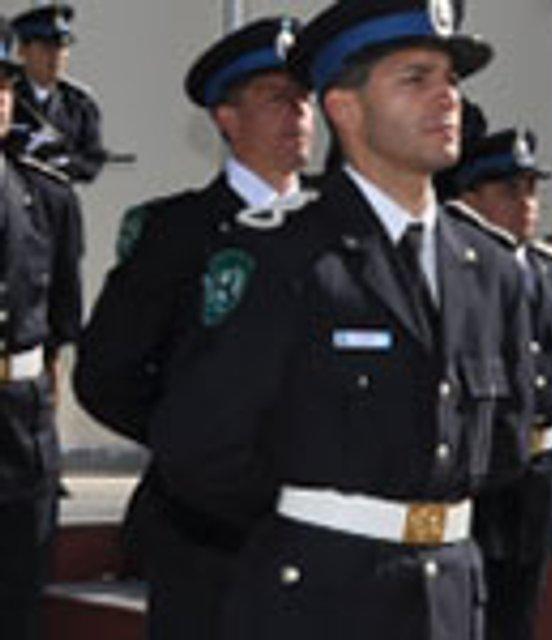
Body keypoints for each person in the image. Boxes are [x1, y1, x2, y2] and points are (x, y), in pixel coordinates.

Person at [147, 1, 533, 638]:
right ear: (344, 109)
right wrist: (314, 519)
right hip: (322, 596)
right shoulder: (286, 254)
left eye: (452, 80)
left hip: (451, 596)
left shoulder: (488, 266)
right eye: (415, 79)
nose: (447, 99)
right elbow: (201, 448)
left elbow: (506, 445)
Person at [72, 17, 313, 639]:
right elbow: (106, 373)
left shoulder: (337, 229)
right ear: (227, 120)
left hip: (318, 531)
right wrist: (196, 443)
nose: (299, 114)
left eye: (305, 98)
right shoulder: (177, 233)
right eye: (276, 99)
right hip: (208, 530)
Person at [453, 128, 552, 640]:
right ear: (470, 199)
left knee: (519, 618)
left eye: (532, 189)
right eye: (510, 191)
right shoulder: (459, 274)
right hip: (480, 476)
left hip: (536, 476)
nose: (526, 203)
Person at [0, 17, 83, 640]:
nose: (0, 100)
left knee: (22, 590)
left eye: (6, 87)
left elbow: (58, 312)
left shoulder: (43, 194)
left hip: (19, 420)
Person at [9, 4, 106, 183]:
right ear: (23, 51)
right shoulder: (7, 96)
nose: (56, 56)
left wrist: (62, 162)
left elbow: (93, 161)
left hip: (57, 201)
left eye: (62, 48)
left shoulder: (80, 103)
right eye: (46, 48)